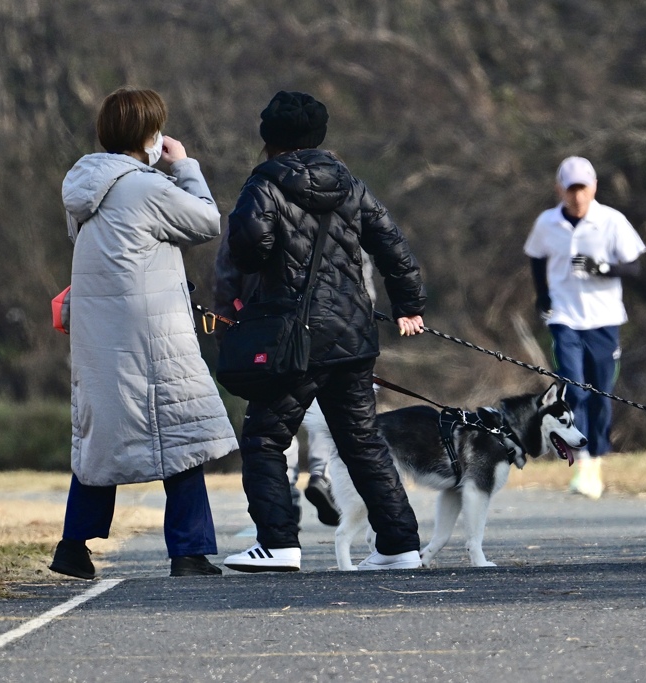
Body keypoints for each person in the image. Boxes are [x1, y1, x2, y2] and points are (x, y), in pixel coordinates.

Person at [222, 90, 426, 572]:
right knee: (361, 440)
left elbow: (249, 249)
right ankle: (400, 545)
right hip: (353, 334)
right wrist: (408, 306)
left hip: (296, 338)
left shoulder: (264, 185)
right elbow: (394, 248)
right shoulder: (351, 184)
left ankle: (277, 542)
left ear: (268, 137)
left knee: (265, 437)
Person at [50, 87, 238, 579]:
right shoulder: (146, 187)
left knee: (101, 438)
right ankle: (189, 553)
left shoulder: (84, 189)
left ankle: (73, 546)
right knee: (179, 431)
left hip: (99, 336)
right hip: (152, 335)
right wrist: (184, 165)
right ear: (150, 135)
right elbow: (205, 222)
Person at [523, 156, 646, 500]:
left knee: (601, 393)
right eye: (570, 188)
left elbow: (634, 267)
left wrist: (603, 267)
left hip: (604, 319)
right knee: (575, 390)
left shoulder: (611, 221)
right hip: (565, 318)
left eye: (583, 188)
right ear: (559, 188)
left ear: (593, 188)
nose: (577, 196)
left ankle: (598, 461)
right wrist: (542, 296)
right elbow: (536, 258)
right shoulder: (547, 223)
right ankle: (584, 465)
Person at [214, 236, 340, 527]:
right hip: (328, 330)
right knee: (326, 411)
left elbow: (226, 280)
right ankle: (322, 474)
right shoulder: (338, 210)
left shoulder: (251, 212)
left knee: (274, 424)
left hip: (267, 334)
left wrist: (228, 337)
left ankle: (288, 490)